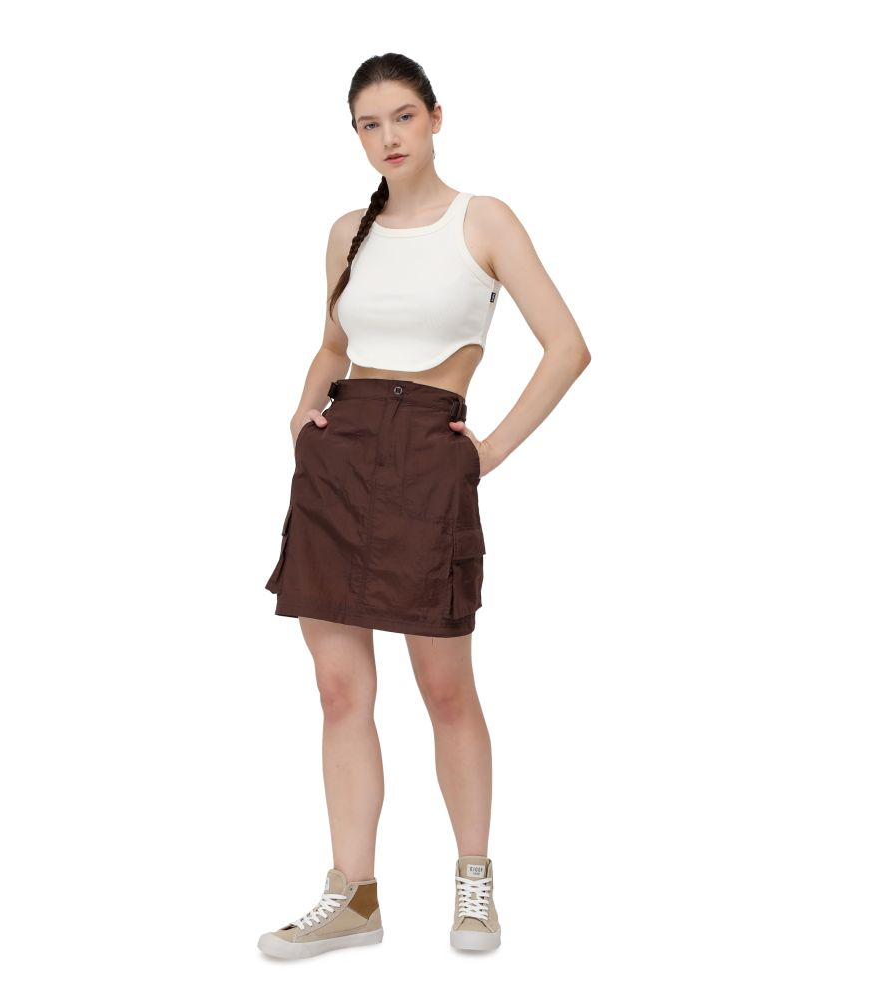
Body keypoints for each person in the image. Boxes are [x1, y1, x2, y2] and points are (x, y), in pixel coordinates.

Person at [258, 53, 591, 961]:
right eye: (369, 125)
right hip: (340, 459)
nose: (388, 138)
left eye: (403, 117)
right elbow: (334, 344)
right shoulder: (347, 232)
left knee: (445, 689)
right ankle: (352, 896)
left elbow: (567, 347)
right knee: (338, 692)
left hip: (429, 455)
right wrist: (302, 413)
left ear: (436, 117)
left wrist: (489, 450)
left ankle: (474, 881)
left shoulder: (484, 219)